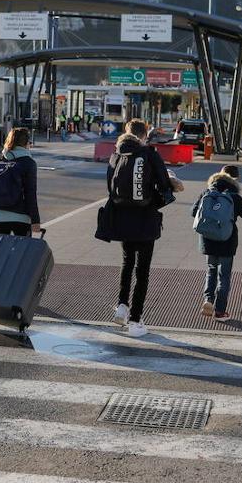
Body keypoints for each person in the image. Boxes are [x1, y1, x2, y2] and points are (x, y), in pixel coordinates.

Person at [98, 119, 183, 337]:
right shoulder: (149, 154)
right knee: (142, 270)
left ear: (126, 133)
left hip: (122, 219)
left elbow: (110, 187)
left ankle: (122, 305)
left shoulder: (116, 156)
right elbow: (164, 185)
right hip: (145, 219)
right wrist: (171, 180)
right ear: (144, 135)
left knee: (127, 262)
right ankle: (135, 321)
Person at [191, 165, 242, 322]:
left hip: (208, 239)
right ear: (235, 179)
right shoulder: (234, 197)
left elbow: (194, 212)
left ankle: (208, 300)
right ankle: (220, 312)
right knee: (224, 276)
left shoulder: (206, 193)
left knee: (211, 271)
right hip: (226, 240)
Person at [0, 127, 42, 237]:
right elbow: (30, 194)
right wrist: (35, 221)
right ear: (26, 143)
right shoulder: (28, 163)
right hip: (21, 217)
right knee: (22, 252)